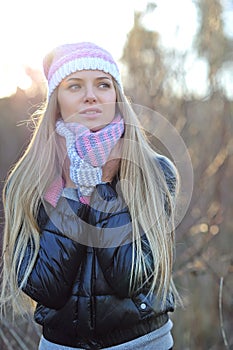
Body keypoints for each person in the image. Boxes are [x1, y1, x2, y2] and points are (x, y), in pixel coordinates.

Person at [0, 42, 180, 349]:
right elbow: (46, 288)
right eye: (74, 85)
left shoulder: (155, 173)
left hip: (143, 342)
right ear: (56, 101)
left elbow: (131, 277)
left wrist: (102, 186)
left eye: (103, 84)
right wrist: (73, 192)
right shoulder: (28, 180)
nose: (91, 95)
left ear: (116, 97)